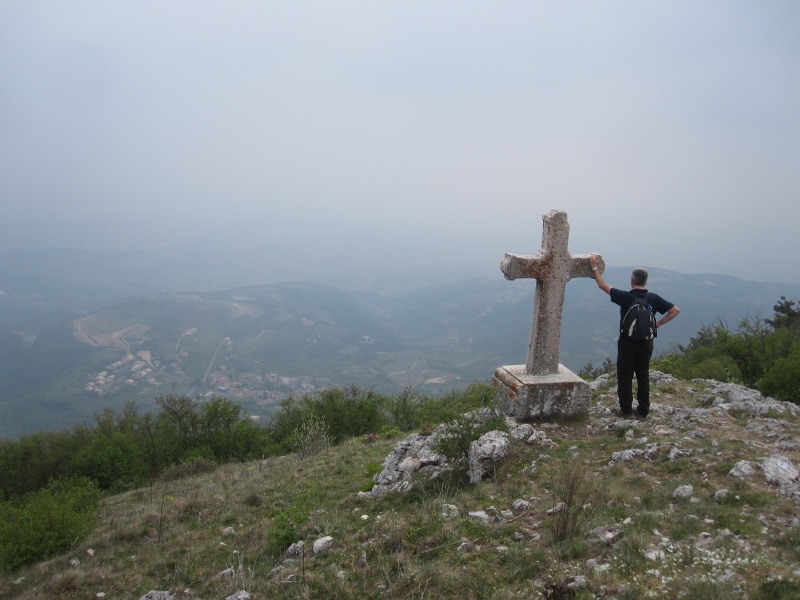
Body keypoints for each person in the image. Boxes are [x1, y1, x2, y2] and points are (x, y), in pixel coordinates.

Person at [589, 254, 680, 418]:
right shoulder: (653, 298)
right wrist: (657, 324)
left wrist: (594, 267)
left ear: (632, 281)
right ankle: (643, 410)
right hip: (647, 342)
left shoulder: (626, 297)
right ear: (645, 282)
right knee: (643, 375)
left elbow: (602, 285)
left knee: (625, 376)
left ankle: (626, 410)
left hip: (627, 342)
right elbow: (675, 311)